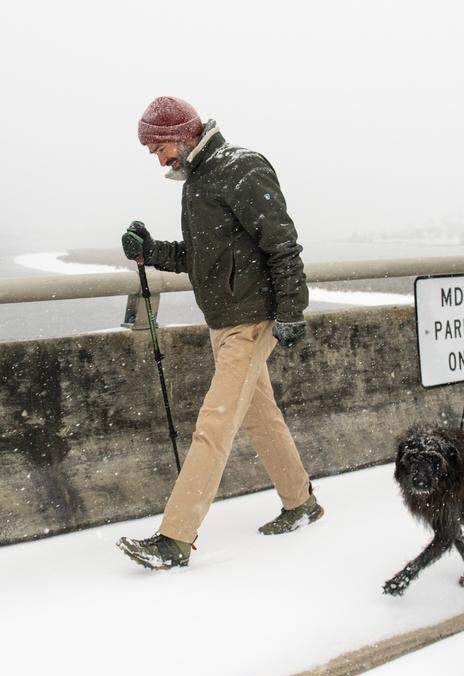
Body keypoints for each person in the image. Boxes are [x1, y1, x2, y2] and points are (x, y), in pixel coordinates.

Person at [116, 96, 323, 570]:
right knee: (259, 416)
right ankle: (301, 503)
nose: (158, 158)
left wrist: (292, 310)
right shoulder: (199, 181)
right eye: (152, 152)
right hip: (224, 320)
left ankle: (175, 537)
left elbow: (284, 244)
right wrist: (150, 251)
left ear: (184, 134)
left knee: (214, 426)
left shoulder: (243, 168)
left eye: (160, 147)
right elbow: (199, 257)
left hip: (250, 321)